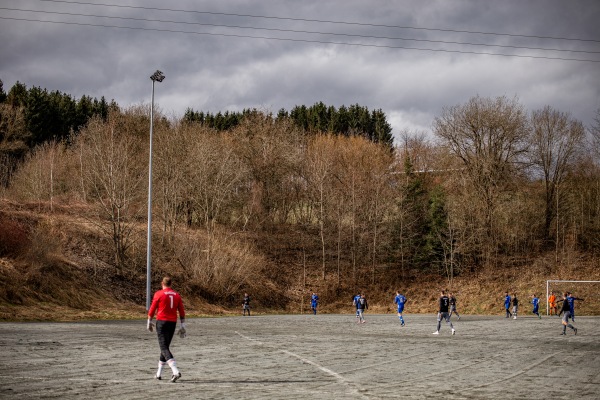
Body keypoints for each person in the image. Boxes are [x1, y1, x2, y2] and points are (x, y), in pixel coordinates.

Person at [147, 276, 186, 383]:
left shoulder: (159, 294)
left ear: (162, 283)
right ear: (171, 284)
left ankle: (175, 371)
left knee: (164, 347)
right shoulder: (177, 295)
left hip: (162, 322)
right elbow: (181, 311)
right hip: (172, 323)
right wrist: (183, 325)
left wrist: (149, 320)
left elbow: (152, 308)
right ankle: (158, 374)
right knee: (165, 347)